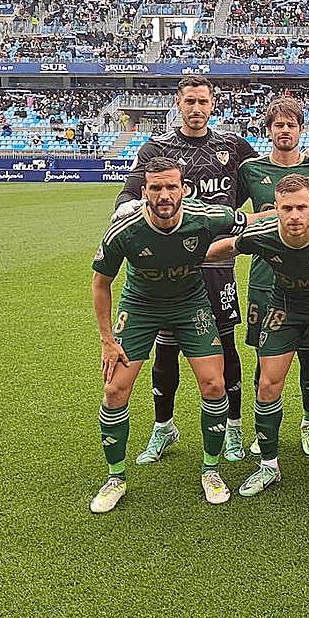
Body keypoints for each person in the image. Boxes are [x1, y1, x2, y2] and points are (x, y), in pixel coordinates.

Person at [116, 76, 309, 467]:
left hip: (218, 265)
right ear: (178, 104)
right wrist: (127, 213)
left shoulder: (233, 148)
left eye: (203, 101)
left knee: (224, 345)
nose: (196, 108)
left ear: (213, 104)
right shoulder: (156, 149)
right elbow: (129, 195)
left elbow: (278, 172)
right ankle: (162, 426)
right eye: (189, 101)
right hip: (171, 266)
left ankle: (233, 426)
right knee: (165, 352)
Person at [88, 156, 249, 513]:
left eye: (171, 186)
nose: (164, 194)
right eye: (156, 187)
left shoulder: (204, 217)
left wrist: (306, 215)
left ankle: (211, 470)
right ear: (143, 192)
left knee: (214, 385)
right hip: (141, 307)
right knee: (115, 390)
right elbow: (101, 283)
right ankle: (115, 477)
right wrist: (107, 340)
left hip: (191, 306)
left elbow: (250, 221)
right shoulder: (124, 231)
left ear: (184, 189)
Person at [204, 175, 309, 501]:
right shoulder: (262, 234)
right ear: (276, 210)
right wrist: (181, 259)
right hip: (285, 307)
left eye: (301, 208)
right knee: (267, 384)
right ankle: (269, 465)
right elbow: (227, 247)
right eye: (286, 208)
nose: (294, 216)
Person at [238, 98, 309, 457]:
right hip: (266, 279)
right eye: (278, 125)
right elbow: (229, 212)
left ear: (301, 129)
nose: (284, 131)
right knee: (265, 359)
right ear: (268, 130)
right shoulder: (251, 170)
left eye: (291, 125)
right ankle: (262, 431)